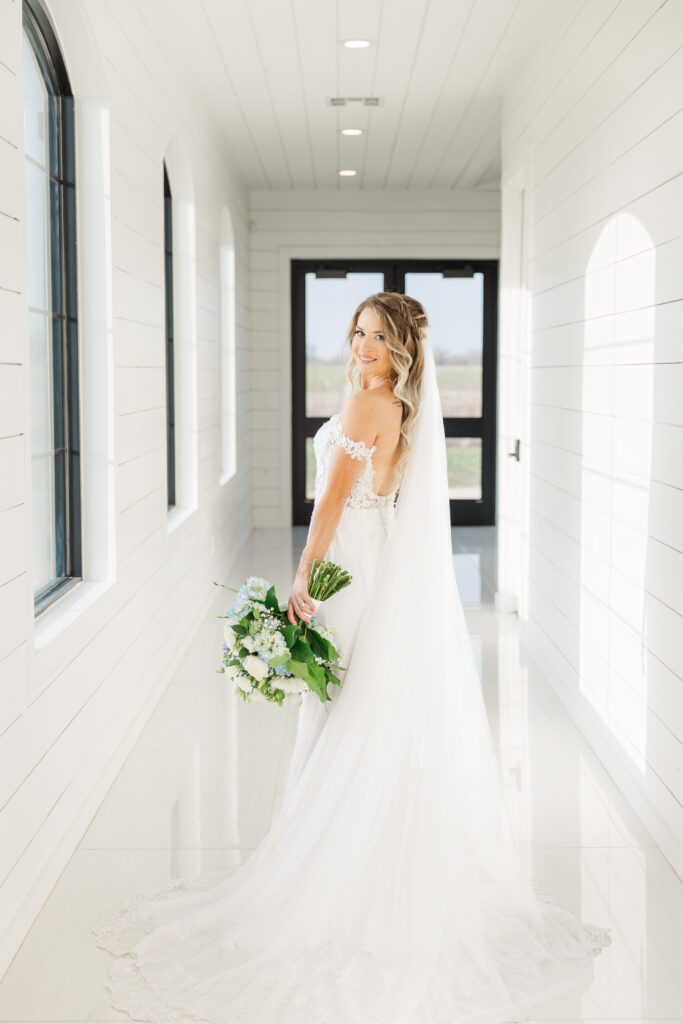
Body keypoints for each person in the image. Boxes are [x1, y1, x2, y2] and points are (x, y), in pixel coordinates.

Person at [92, 292, 610, 1024]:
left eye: (376, 336)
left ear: (399, 347)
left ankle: (340, 871)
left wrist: (302, 571)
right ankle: (375, 861)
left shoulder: (371, 406)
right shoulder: (390, 404)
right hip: (374, 564)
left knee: (341, 709)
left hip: (351, 565)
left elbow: (332, 499)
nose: (361, 345)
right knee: (359, 705)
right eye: (357, 331)